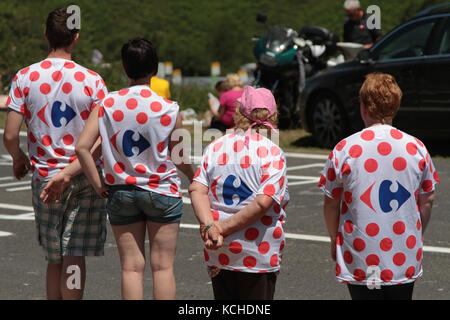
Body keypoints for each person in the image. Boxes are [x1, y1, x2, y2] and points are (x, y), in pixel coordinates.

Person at [75, 38, 195, 300]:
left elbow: (82, 147)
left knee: (131, 268)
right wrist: (194, 176)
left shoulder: (107, 103)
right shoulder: (170, 108)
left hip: (120, 190)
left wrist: (97, 183)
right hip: (161, 190)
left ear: (123, 66)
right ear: (155, 69)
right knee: (163, 267)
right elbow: (180, 156)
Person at [3, 8, 108, 300]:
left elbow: (10, 135)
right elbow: (101, 138)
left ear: (46, 34)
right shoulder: (93, 81)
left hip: (45, 177)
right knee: (74, 253)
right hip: (83, 175)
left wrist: (19, 158)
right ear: (75, 39)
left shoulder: (25, 77)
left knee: (54, 256)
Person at [318, 73, 439, 300]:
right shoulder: (416, 148)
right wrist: (416, 231)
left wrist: (334, 238)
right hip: (404, 254)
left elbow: (331, 203)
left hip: (362, 255)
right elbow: (428, 198)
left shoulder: (345, 149)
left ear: (363, 106)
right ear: (396, 105)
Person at [189, 86, 289, 300]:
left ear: (238, 113)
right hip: (257, 250)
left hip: (218, 247)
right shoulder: (272, 152)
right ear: (273, 116)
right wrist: (223, 228)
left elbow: (197, 188)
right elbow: (263, 203)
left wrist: (210, 226)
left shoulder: (216, 146)